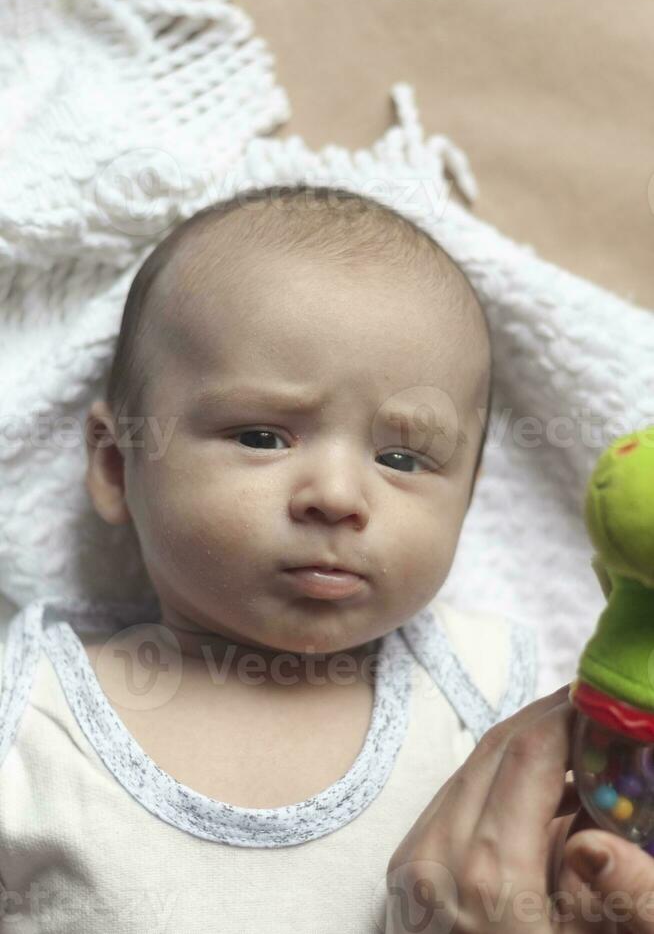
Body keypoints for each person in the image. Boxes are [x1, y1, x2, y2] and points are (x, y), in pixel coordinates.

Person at [2, 184, 652, 932]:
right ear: (118, 466)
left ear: (467, 502)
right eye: (261, 436)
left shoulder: (492, 700)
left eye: (403, 457)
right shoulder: (28, 715)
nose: (338, 496)